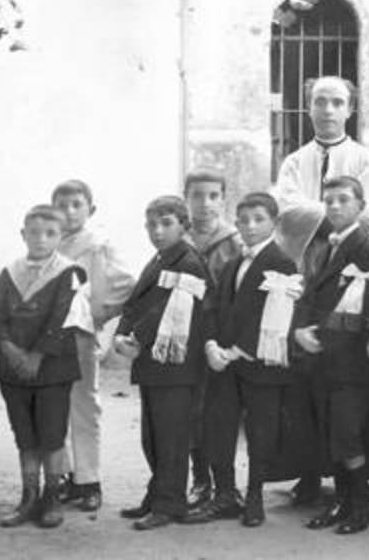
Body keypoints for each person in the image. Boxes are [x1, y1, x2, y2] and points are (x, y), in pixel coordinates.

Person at [183, 192, 300, 528]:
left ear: (274, 223)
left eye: (258, 220)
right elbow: (217, 308)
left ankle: (255, 498)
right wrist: (210, 345)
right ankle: (224, 495)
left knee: (260, 431)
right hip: (225, 362)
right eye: (243, 220)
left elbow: (273, 317)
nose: (249, 227)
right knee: (218, 426)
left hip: (259, 363)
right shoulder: (235, 263)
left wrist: (234, 351)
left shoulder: (281, 262)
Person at [293, 176, 369, 536]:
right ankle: (344, 501)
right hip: (323, 358)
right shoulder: (327, 247)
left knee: (349, 434)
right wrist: (300, 330)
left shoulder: (366, 250)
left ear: (361, 207)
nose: (334, 206)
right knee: (333, 432)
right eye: (328, 200)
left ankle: (362, 506)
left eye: (343, 200)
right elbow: (313, 297)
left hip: (352, 362)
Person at [0, 205, 90, 529]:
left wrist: (36, 357)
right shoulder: (10, 271)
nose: (41, 240)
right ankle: (28, 497)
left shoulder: (69, 272)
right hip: (13, 369)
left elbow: (62, 317)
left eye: (50, 233)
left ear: (61, 237)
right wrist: (9, 350)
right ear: (23, 234)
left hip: (52, 369)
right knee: (25, 435)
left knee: (52, 434)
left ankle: (52, 496)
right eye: (34, 233)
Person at [113, 196, 210, 530]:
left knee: (171, 438)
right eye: (151, 225)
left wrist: (134, 338)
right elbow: (136, 303)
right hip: (154, 364)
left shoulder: (189, 262)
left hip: (176, 366)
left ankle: (170, 504)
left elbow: (168, 311)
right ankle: (156, 495)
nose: (157, 231)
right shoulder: (159, 259)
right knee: (153, 436)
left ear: (184, 225)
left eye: (166, 224)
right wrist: (122, 332)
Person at [51, 179, 136, 513]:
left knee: (84, 404)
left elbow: (126, 284)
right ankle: (69, 476)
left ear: (91, 210)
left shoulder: (98, 244)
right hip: (50, 338)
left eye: (76, 204)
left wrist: (99, 313)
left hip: (81, 334)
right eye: (62, 204)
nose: (69, 212)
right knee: (54, 405)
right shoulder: (48, 240)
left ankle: (90, 481)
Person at [273, 76, 369, 266]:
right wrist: (344, 214)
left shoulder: (367, 162)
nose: (328, 110)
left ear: (349, 110)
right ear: (309, 108)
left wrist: (312, 214)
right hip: (302, 263)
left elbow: (368, 222)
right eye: (319, 102)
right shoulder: (293, 163)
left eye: (337, 103)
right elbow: (288, 213)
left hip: (349, 264)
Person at [183, 169, 244, 510]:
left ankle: (226, 485)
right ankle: (200, 480)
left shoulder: (233, 241)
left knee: (221, 412)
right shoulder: (180, 239)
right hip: (186, 337)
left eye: (212, 196)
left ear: (223, 200)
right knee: (192, 411)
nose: (204, 204)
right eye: (196, 196)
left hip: (219, 339)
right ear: (186, 198)